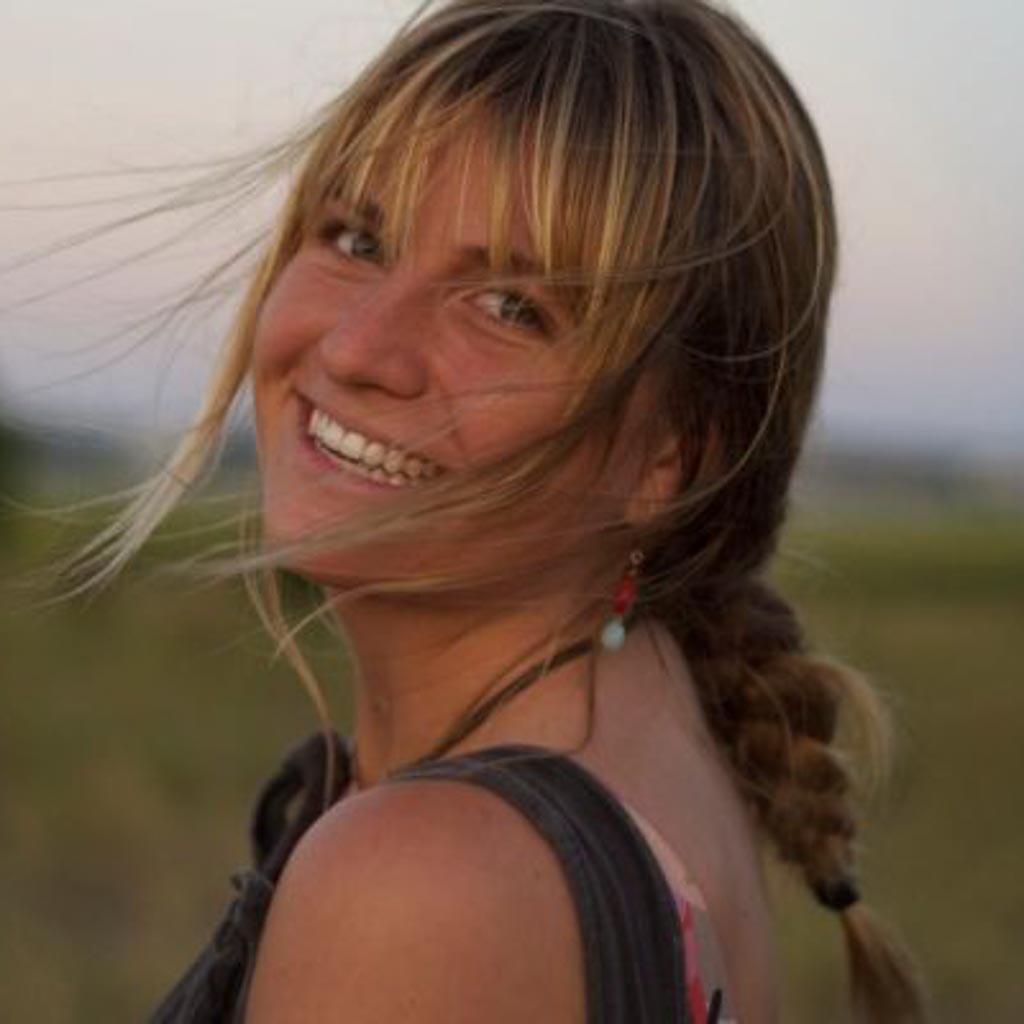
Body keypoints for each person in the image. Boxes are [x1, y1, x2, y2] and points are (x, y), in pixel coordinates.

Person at [78, 1, 927, 1021]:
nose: (355, 348)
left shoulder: (423, 885)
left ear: (671, 452)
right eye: (356, 238)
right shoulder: (659, 714)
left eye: (511, 307)